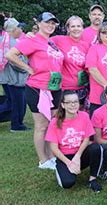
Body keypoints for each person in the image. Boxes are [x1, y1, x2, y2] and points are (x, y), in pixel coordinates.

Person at [7, 12, 64, 169]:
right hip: (38, 88)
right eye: (47, 22)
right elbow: (10, 55)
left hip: (54, 87)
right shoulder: (32, 40)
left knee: (53, 123)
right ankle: (43, 160)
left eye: (53, 23)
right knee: (42, 125)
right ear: (38, 23)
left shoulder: (51, 42)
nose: (50, 26)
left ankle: (52, 156)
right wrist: (28, 68)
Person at [45, 90, 105, 192]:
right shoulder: (54, 122)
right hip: (65, 156)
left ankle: (92, 179)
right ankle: (62, 170)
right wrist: (69, 163)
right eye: (69, 102)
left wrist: (77, 156)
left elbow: (86, 138)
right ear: (63, 105)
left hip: (80, 153)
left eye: (75, 102)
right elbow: (53, 148)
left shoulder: (84, 116)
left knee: (96, 148)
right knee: (67, 183)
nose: (73, 105)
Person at [52, 16, 89, 108]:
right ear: (68, 28)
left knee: (78, 116)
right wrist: (31, 35)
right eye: (73, 26)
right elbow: (41, 41)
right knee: (62, 117)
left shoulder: (87, 45)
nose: (76, 29)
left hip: (81, 88)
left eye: (78, 26)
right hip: (64, 88)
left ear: (82, 28)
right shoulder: (59, 40)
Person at [0, 18, 28, 132]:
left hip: (6, 78)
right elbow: (15, 62)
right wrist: (27, 67)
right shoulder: (11, 43)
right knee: (17, 103)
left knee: (12, 102)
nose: (21, 30)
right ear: (14, 29)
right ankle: (16, 125)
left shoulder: (3, 40)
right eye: (20, 27)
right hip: (14, 78)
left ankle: (18, 123)